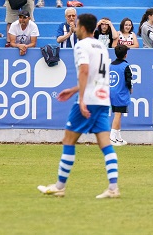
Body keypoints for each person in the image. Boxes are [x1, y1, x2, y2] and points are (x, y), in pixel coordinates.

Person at [37, 12, 120, 199]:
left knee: (68, 141)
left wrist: (80, 98)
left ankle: (59, 186)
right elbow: (95, 76)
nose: (75, 27)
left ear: (82, 28)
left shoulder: (81, 45)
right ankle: (113, 188)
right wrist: (74, 90)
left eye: (77, 25)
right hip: (102, 98)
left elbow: (84, 71)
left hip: (88, 100)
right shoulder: (101, 46)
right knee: (105, 144)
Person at [109, 45, 132, 146]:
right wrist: (130, 89)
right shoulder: (126, 66)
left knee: (119, 114)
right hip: (121, 93)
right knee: (118, 114)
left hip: (112, 92)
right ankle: (112, 136)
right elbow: (128, 80)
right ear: (125, 55)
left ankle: (118, 137)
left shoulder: (110, 65)